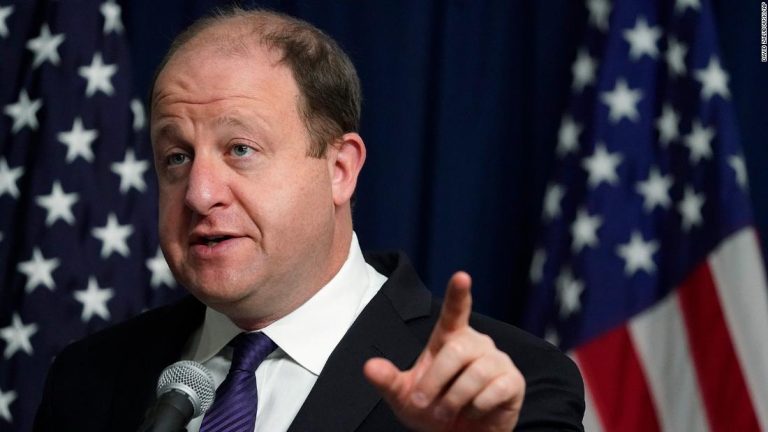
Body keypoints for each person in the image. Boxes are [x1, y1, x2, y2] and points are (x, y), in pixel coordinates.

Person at [34, 7, 584, 432]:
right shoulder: (89, 379)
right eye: (176, 157)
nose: (199, 194)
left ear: (339, 169)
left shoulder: (506, 388)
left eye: (241, 149)